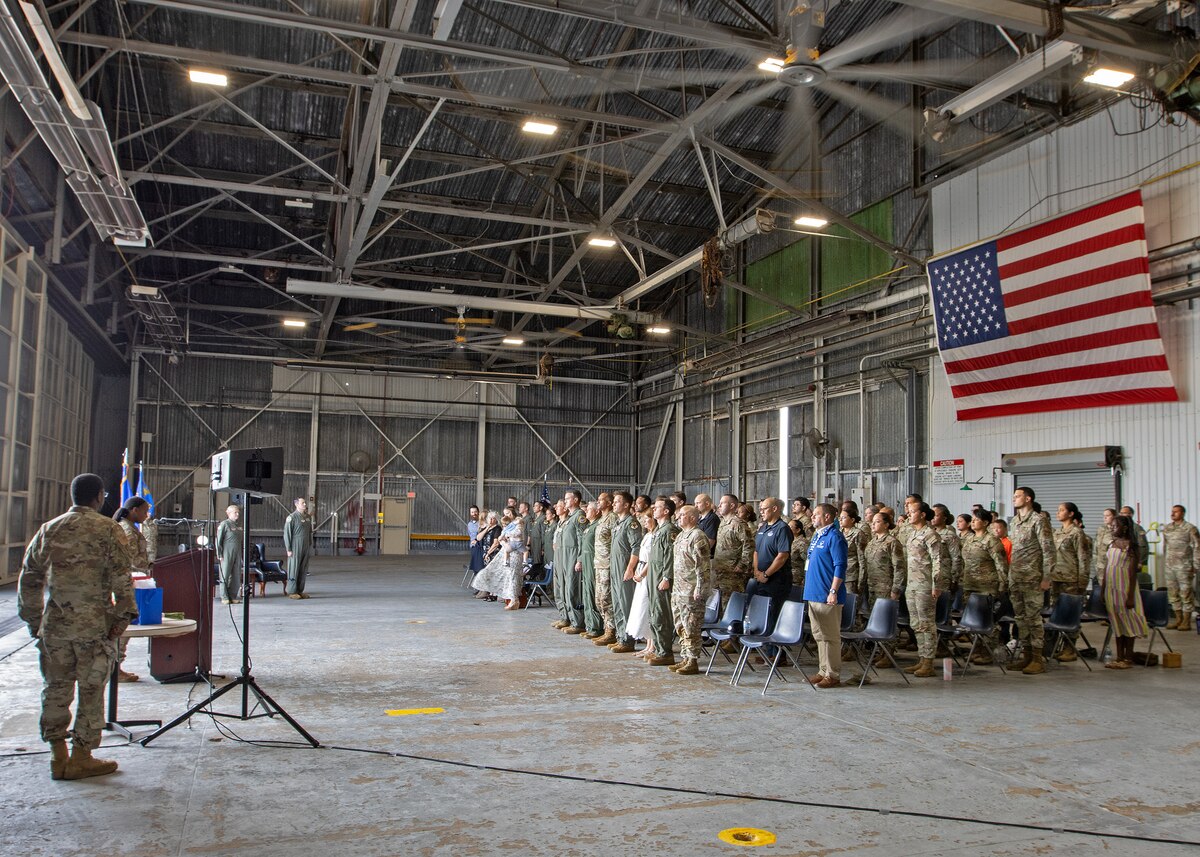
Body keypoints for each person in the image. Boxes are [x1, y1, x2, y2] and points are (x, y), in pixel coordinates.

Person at [18, 473, 137, 780]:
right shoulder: (109, 529)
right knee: (91, 690)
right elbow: (122, 579)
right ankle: (82, 756)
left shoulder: (51, 528)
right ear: (99, 496)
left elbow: (30, 577)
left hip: (55, 627)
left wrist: (34, 620)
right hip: (94, 627)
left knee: (55, 689)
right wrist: (120, 620)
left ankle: (57, 755)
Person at [1008, 487, 1055, 675]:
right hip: (1016, 576)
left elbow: (1049, 550)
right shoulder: (1014, 521)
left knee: (1034, 619)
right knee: (1020, 619)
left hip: (1033, 577)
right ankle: (1026, 656)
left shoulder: (1039, 520)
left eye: (1017, 496)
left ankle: (1037, 659)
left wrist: (1047, 577)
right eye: (1013, 496)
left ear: (1028, 499)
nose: (1014, 499)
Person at [804, 503, 847, 688]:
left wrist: (833, 591)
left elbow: (840, 565)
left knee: (830, 636)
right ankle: (823, 670)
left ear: (827, 517)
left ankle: (833, 674)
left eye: (816, 514)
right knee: (819, 635)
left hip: (827, 594)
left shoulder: (835, 537)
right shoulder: (816, 536)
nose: (812, 517)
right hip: (813, 593)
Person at [903, 502, 947, 678]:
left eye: (913, 512)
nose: (909, 515)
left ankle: (929, 662)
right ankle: (922, 658)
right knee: (915, 623)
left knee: (926, 623)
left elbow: (938, 561)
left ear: (922, 514)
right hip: (912, 584)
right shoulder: (913, 533)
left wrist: (937, 585)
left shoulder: (931, 535)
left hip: (925, 585)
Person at [960, 509, 1007, 664]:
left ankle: (987, 651)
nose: (972, 522)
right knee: (973, 620)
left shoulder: (992, 541)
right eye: (972, 519)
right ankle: (977, 649)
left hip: (987, 587)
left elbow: (1001, 565)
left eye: (976, 519)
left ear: (986, 523)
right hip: (970, 585)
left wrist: (1002, 585)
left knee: (987, 621)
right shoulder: (970, 539)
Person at [1101, 515, 1149, 669]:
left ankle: (1128, 658)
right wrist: (1102, 590)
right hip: (1111, 588)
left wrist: (1130, 596)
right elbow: (1106, 568)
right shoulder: (1112, 544)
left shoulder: (1131, 546)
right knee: (1116, 622)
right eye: (1112, 526)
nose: (1112, 528)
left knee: (1128, 622)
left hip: (1125, 588)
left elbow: (1133, 573)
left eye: (1115, 526)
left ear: (1125, 528)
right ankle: (1119, 656)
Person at [669, 505, 711, 676]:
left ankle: (692, 660)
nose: (678, 517)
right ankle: (685, 657)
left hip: (691, 590)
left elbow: (702, 566)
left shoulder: (698, 536)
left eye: (682, 515)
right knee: (680, 625)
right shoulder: (680, 536)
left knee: (691, 625)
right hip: (678, 589)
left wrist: (700, 588)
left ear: (693, 518)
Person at [113, 497, 151, 682]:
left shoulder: (129, 527)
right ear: (134, 510)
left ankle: (116, 666)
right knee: (124, 626)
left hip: (133, 579)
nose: (146, 515)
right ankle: (115, 668)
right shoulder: (127, 530)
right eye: (144, 511)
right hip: (129, 581)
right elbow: (128, 560)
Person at [1051, 503, 1092, 661]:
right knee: (1058, 613)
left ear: (1071, 513)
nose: (1058, 513)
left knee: (1071, 614)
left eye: (1062, 510)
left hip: (1071, 579)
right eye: (1058, 510)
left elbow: (1083, 558)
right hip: (1056, 579)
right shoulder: (1057, 533)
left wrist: (1082, 581)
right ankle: (1059, 647)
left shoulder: (1076, 533)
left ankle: (1070, 648)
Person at [750, 498, 793, 635]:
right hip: (761, 578)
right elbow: (756, 552)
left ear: (775, 509)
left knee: (774, 613)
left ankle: (776, 653)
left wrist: (767, 574)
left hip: (777, 579)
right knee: (763, 614)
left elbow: (782, 556)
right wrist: (757, 571)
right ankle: (764, 648)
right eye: (760, 509)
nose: (761, 511)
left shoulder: (782, 528)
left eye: (764, 508)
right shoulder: (763, 527)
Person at [646, 497, 680, 667]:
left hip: (661, 577)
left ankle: (665, 652)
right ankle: (658, 648)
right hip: (653, 576)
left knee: (661, 615)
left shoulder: (669, 530)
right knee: (654, 613)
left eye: (657, 507)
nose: (654, 510)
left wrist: (667, 577)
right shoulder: (659, 529)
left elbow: (670, 556)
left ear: (666, 511)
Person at [608, 491, 643, 654]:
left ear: (627, 505)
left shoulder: (631, 523)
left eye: (617, 501)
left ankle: (628, 640)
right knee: (617, 604)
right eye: (614, 501)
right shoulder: (618, 523)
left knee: (625, 603)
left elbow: (636, 547)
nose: (614, 504)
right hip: (615, 567)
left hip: (624, 568)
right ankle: (621, 636)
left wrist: (630, 568)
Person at [472, 510, 525, 608]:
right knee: (506, 575)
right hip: (506, 552)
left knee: (512, 576)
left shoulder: (518, 524)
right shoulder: (507, 527)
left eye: (508, 513)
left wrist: (506, 537)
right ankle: (512, 599)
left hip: (515, 553)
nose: (506, 515)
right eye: (505, 514)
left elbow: (517, 535)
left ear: (513, 515)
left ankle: (514, 600)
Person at [1160, 505, 1200, 630]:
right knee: (1173, 593)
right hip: (1170, 566)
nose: (1173, 513)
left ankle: (1186, 621)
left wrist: (1196, 566)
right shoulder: (1167, 528)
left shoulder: (1190, 528)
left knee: (1186, 593)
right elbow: (1165, 547)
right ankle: (1178, 619)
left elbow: (1197, 547)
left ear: (1182, 513)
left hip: (1184, 566)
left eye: (1176, 512)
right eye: (1172, 511)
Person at [555, 490, 587, 634]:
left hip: (572, 555)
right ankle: (566, 617)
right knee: (562, 587)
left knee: (572, 589)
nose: (565, 501)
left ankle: (577, 622)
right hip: (562, 555)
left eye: (567, 499)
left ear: (575, 500)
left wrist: (579, 559)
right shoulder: (569, 517)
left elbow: (582, 539)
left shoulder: (579, 516)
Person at [863, 509, 904, 618]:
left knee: (885, 618)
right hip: (872, 586)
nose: (873, 524)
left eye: (877, 522)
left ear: (886, 525)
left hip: (886, 588)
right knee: (874, 617)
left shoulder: (892, 542)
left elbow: (899, 568)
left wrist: (896, 589)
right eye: (873, 522)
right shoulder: (872, 542)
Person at [627, 512, 655, 657]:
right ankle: (648, 645)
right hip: (641, 572)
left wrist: (642, 574)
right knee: (642, 609)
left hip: (648, 574)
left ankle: (653, 646)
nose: (644, 522)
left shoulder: (655, 536)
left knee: (648, 608)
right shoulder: (647, 535)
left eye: (647, 519)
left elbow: (652, 559)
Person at [712, 493, 752, 599]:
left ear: (732, 506)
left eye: (722, 503)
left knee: (729, 604)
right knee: (718, 605)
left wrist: (742, 565)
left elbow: (749, 545)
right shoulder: (723, 522)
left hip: (732, 573)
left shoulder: (738, 524)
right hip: (720, 570)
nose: (719, 506)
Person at [578, 502, 603, 635]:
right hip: (586, 562)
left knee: (593, 593)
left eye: (589, 509)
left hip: (593, 563)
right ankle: (589, 625)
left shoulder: (597, 525)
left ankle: (596, 626)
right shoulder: (589, 526)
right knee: (587, 593)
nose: (586, 511)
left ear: (597, 511)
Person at [283, 496, 314, 600]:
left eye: (305, 503)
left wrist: (310, 544)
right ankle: (292, 591)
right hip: (295, 545)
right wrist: (289, 549)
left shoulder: (307, 517)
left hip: (305, 545)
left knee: (303, 568)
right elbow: (287, 534)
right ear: (296, 504)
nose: (305, 504)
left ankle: (300, 590)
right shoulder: (292, 517)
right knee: (294, 568)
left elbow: (309, 532)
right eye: (302, 503)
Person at [215, 503, 245, 606]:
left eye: (238, 512)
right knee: (225, 574)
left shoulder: (238, 525)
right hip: (227, 552)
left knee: (236, 574)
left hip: (237, 552)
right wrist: (219, 553)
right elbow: (218, 540)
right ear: (228, 513)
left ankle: (232, 596)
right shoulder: (224, 524)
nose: (237, 514)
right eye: (235, 512)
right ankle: (224, 596)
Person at [931, 504, 963, 593]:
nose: (933, 518)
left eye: (936, 515)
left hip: (943, 577)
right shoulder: (929, 534)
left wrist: (954, 580)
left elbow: (956, 558)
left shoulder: (950, 535)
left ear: (944, 518)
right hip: (929, 577)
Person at [839, 508, 868, 599]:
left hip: (851, 575)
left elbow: (862, 558)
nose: (840, 520)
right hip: (839, 573)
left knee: (850, 602)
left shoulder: (858, 533)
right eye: (840, 518)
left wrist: (861, 580)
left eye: (843, 517)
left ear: (852, 520)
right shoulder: (839, 532)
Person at [788, 517, 810, 590]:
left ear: (798, 530)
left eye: (790, 527)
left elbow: (807, 560)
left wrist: (805, 577)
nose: (788, 528)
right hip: (787, 576)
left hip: (796, 578)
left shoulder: (802, 542)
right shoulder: (788, 540)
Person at [1094, 508, 1116, 576]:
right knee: (1102, 584)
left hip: (1112, 564)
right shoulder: (1101, 528)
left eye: (1108, 515)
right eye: (1104, 516)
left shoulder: (1117, 530)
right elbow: (1096, 545)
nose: (1105, 518)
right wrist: (1096, 561)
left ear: (1114, 516)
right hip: (1100, 564)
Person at [466, 505, 484, 574]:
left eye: (475, 512)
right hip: (473, 547)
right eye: (472, 512)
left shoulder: (482, 523)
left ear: (478, 512)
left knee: (480, 566)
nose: (474, 514)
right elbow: (470, 535)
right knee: (475, 567)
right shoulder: (469, 524)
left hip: (481, 546)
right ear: (470, 513)